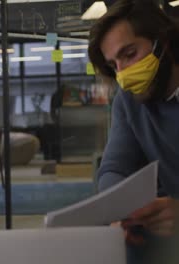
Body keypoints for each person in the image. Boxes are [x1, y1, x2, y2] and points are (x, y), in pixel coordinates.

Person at [88, 0, 179, 263]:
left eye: (129, 54)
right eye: (114, 65)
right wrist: (120, 211)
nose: (124, 74)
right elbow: (114, 167)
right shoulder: (129, 100)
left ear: (164, 43)